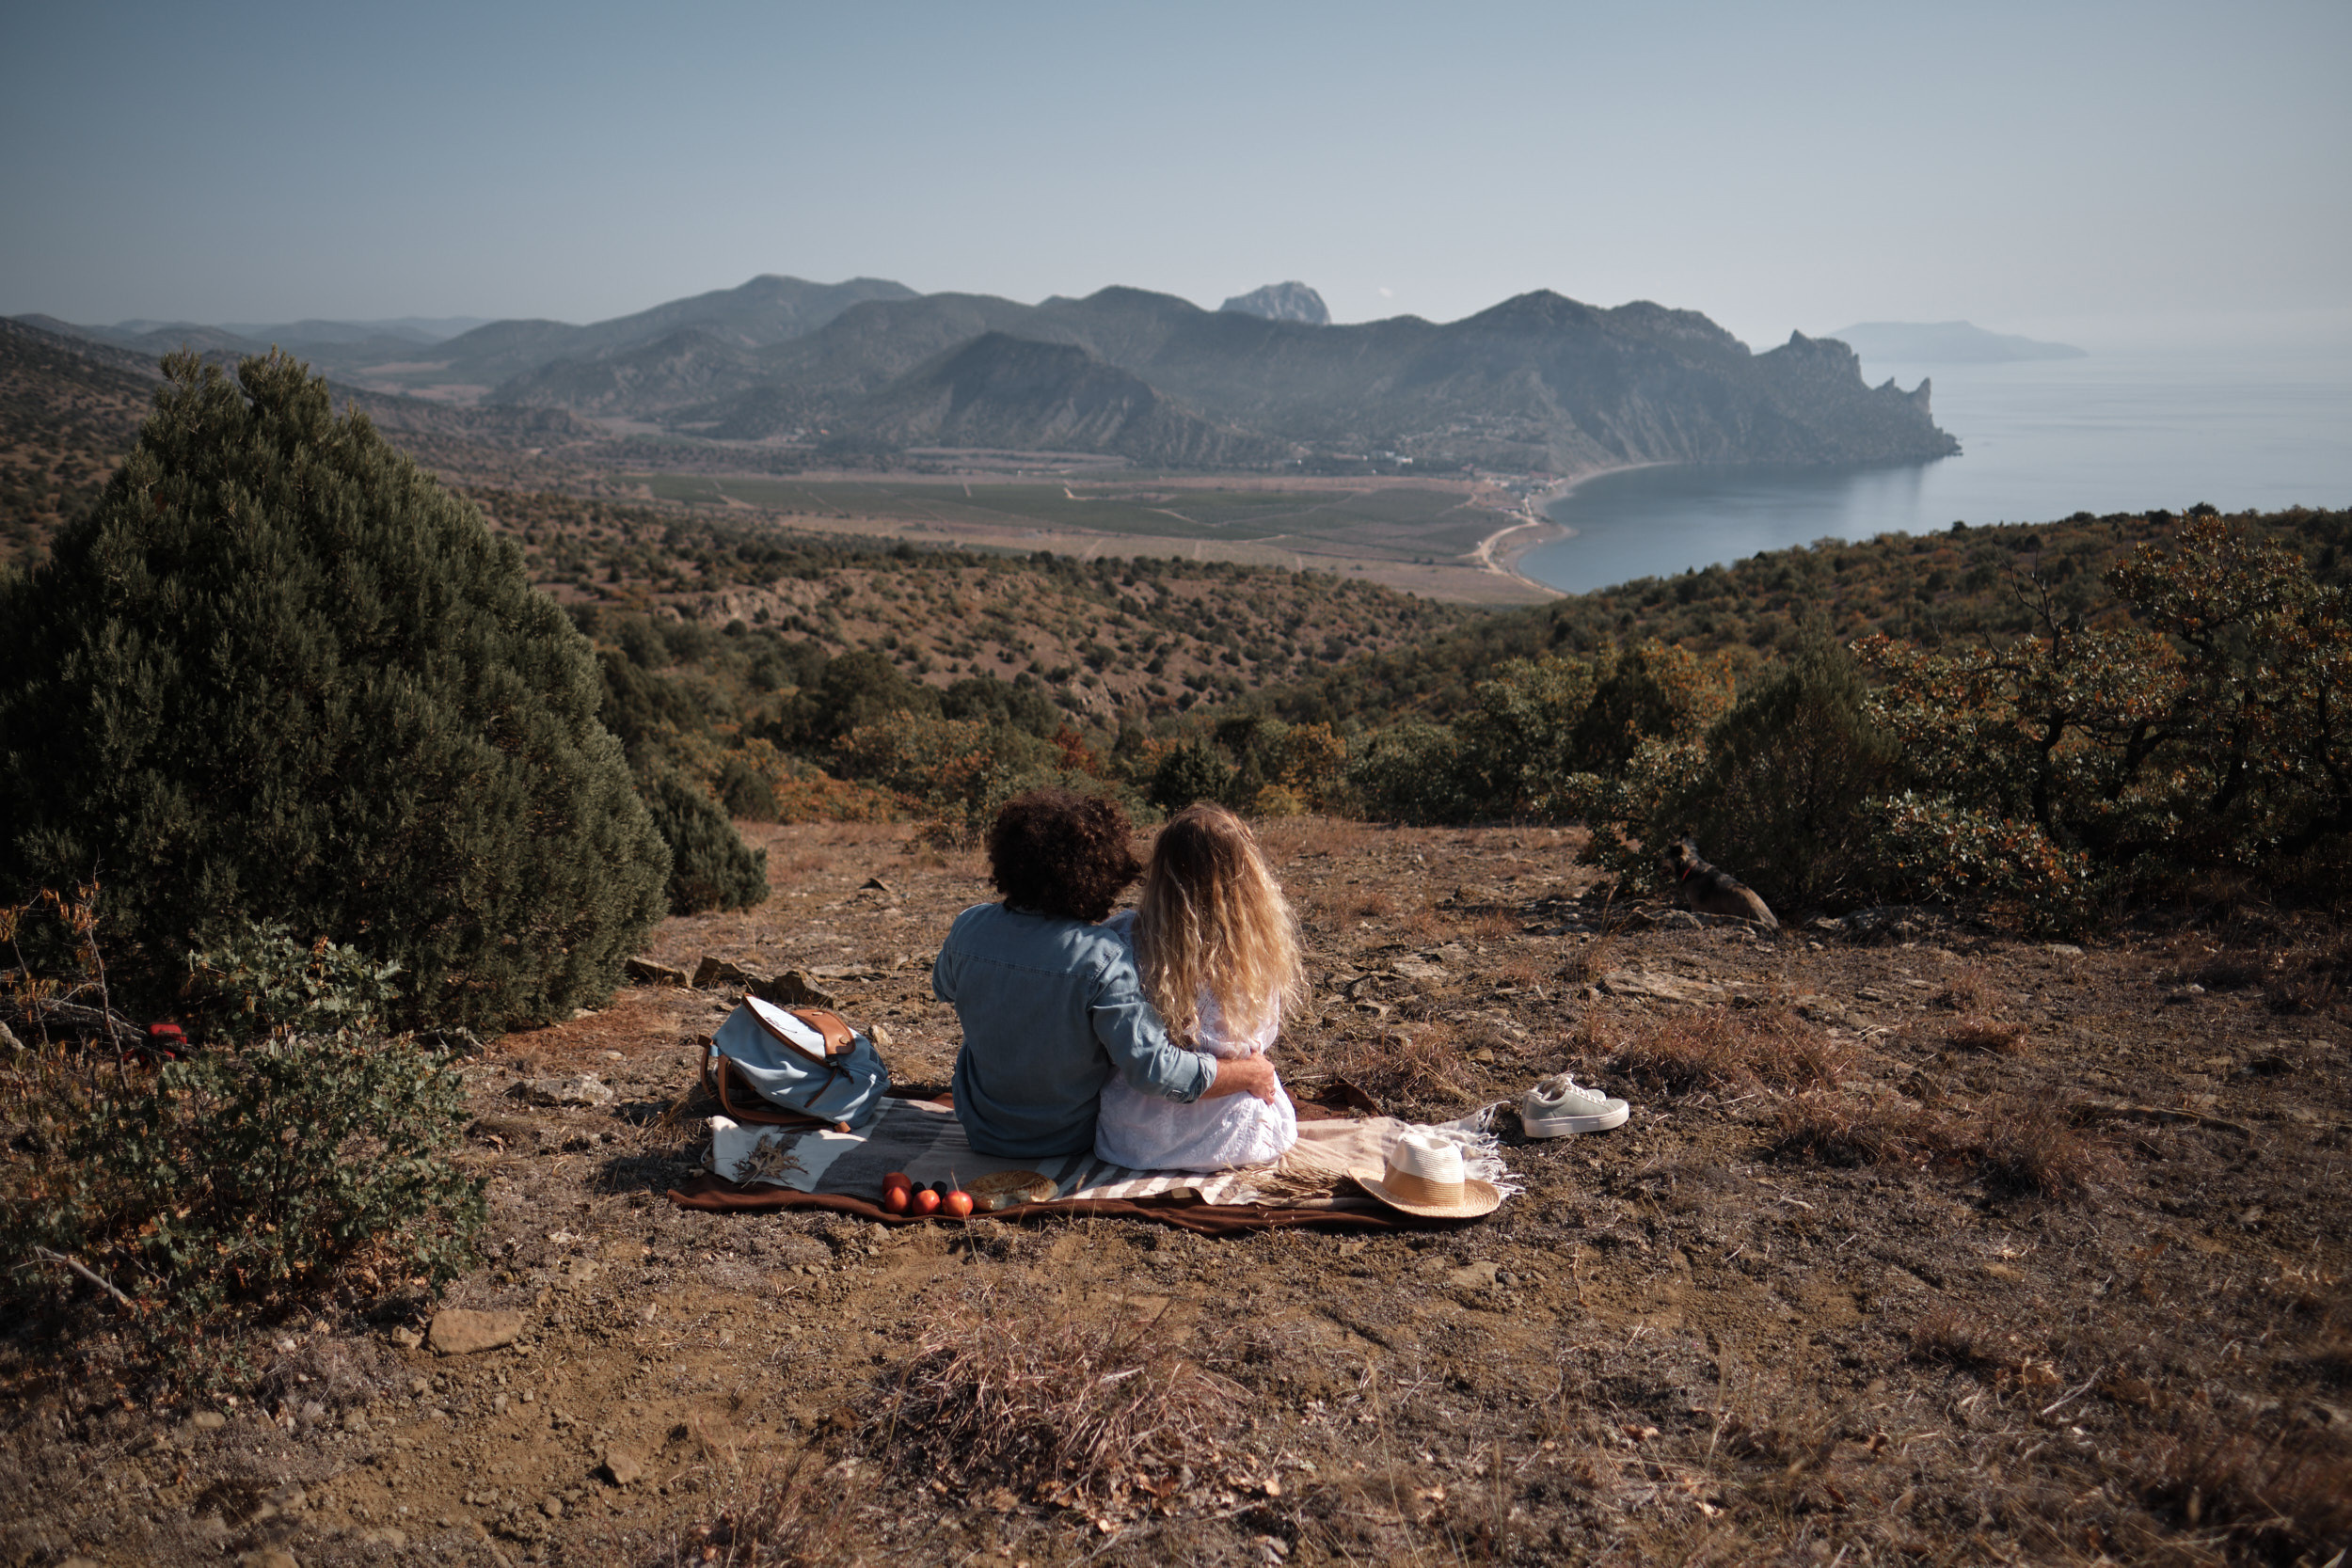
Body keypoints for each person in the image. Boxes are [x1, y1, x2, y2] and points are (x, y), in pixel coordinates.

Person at [933, 789, 1277, 1159]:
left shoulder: (968, 928)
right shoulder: (1101, 957)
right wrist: (1248, 1074)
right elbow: (1154, 1069)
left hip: (981, 1128)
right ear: (1099, 873)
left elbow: (943, 987)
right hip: (1065, 1139)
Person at [1092, 802, 1305, 1172]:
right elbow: (1263, 1037)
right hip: (1238, 1136)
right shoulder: (1259, 951)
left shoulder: (1120, 937)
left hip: (1134, 1140)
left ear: (1162, 872)